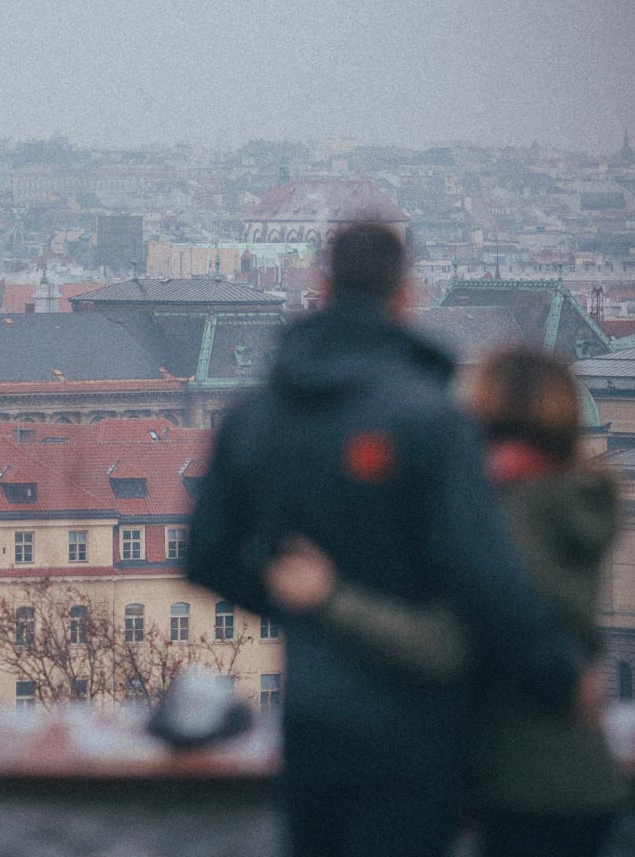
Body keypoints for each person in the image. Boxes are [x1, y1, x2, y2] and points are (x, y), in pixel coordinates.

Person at [186, 222, 584, 857]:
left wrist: (301, 607)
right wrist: (557, 672)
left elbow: (204, 555)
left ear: (320, 287)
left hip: (312, 720)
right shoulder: (432, 416)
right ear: (406, 296)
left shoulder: (254, 415)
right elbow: (483, 572)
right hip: (420, 725)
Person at [274, 347, 627, 857]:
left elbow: (443, 647)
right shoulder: (577, 497)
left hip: (521, 783)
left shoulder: (506, 512)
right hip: (581, 773)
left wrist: (330, 597)